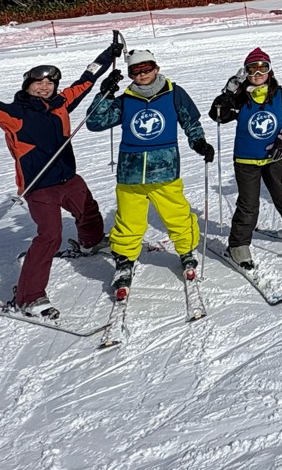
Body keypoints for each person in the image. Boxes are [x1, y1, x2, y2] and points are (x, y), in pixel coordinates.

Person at [0, 37, 122, 319]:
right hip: (39, 186)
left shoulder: (61, 103)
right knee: (50, 236)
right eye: (38, 83)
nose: (45, 87)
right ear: (27, 85)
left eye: (50, 83)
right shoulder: (15, 114)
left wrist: (108, 54)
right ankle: (29, 297)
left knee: (88, 209)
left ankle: (90, 242)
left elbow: (86, 80)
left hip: (68, 178)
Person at [84, 49, 214, 298]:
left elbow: (190, 122)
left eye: (147, 68)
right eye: (136, 70)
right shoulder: (125, 99)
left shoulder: (174, 93)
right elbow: (95, 122)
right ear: (130, 74)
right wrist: (105, 94)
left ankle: (186, 250)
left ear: (156, 68)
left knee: (177, 214)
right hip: (130, 172)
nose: (142, 74)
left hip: (164, 170)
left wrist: (198, 142)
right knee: (129, 220)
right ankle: (124, 260)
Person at [208, 48, 282, 270]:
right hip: (246, 160)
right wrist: (227, 94)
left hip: (274, 156)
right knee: (249, 204)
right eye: (252, 70)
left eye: (262, 69)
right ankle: (238, 244)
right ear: (245, 73)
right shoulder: (240, 97)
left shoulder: (281, 95)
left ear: (270, 70)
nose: (257, 74)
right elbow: (218, 116)